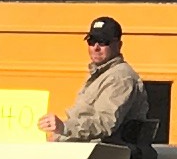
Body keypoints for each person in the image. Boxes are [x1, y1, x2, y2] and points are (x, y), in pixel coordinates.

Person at [45, 14, 151, 146]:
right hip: (89, 152)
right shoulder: (101, 74)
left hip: (101, 156)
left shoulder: (121, 77)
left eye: (103, 42)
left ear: (119, 45)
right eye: (91, 41)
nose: (95, 47)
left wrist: (65, 128)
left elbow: (105, 123)